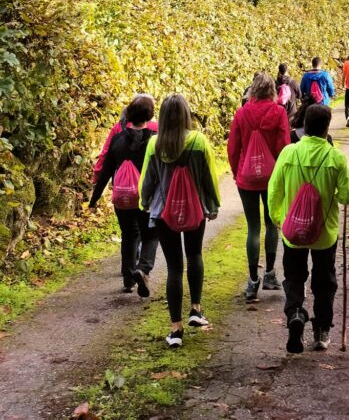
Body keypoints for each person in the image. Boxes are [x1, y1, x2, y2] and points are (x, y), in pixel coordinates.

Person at [268, 104, 349, 354]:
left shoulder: (288, 153)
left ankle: (295, 313)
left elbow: (274, 189)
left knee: (294, 277)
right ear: (327, 128)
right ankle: (322, 332)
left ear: (304, 126)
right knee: (324, 281)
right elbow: (347, 196)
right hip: (324, 234)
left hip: (293, 232)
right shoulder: (335, 157)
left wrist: (277, 218)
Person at [139, 94, 220, 349]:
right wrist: (213, 203)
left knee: (174, 268)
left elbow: (147, 180)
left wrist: (144, 202)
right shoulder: (199, 141)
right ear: (187, 114)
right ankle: (196, 309)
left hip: (164, 214)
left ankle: (175, 330)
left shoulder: (155, 144)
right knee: (194, 255)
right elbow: (210, 177)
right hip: (195, 209)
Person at [228, 72, 292, 303]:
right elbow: (284, 146)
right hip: (272, 177)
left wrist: (238, 173)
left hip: (247, 177)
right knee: (272, 223)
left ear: (253, 90)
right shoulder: (278, 112)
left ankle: (252, 281)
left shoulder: (242, 113)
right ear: (272, 90)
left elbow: (233, 147)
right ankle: (270, 275)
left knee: (253, 228)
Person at [89, 95, 158, 297]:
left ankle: (128, 279)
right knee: (151, 234)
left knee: (129, 235)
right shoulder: (154, 139)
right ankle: (143, 268)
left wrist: (94, 199)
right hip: (145, 196)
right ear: (151, 115)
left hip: (122, 197)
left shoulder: (119, 138)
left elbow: (107, 170)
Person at [92, 93, 158, 184]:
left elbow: (106, 151)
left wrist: (97, 173)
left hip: (122, 181)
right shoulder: (157, 128)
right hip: (147, 180)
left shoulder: (119, 126)